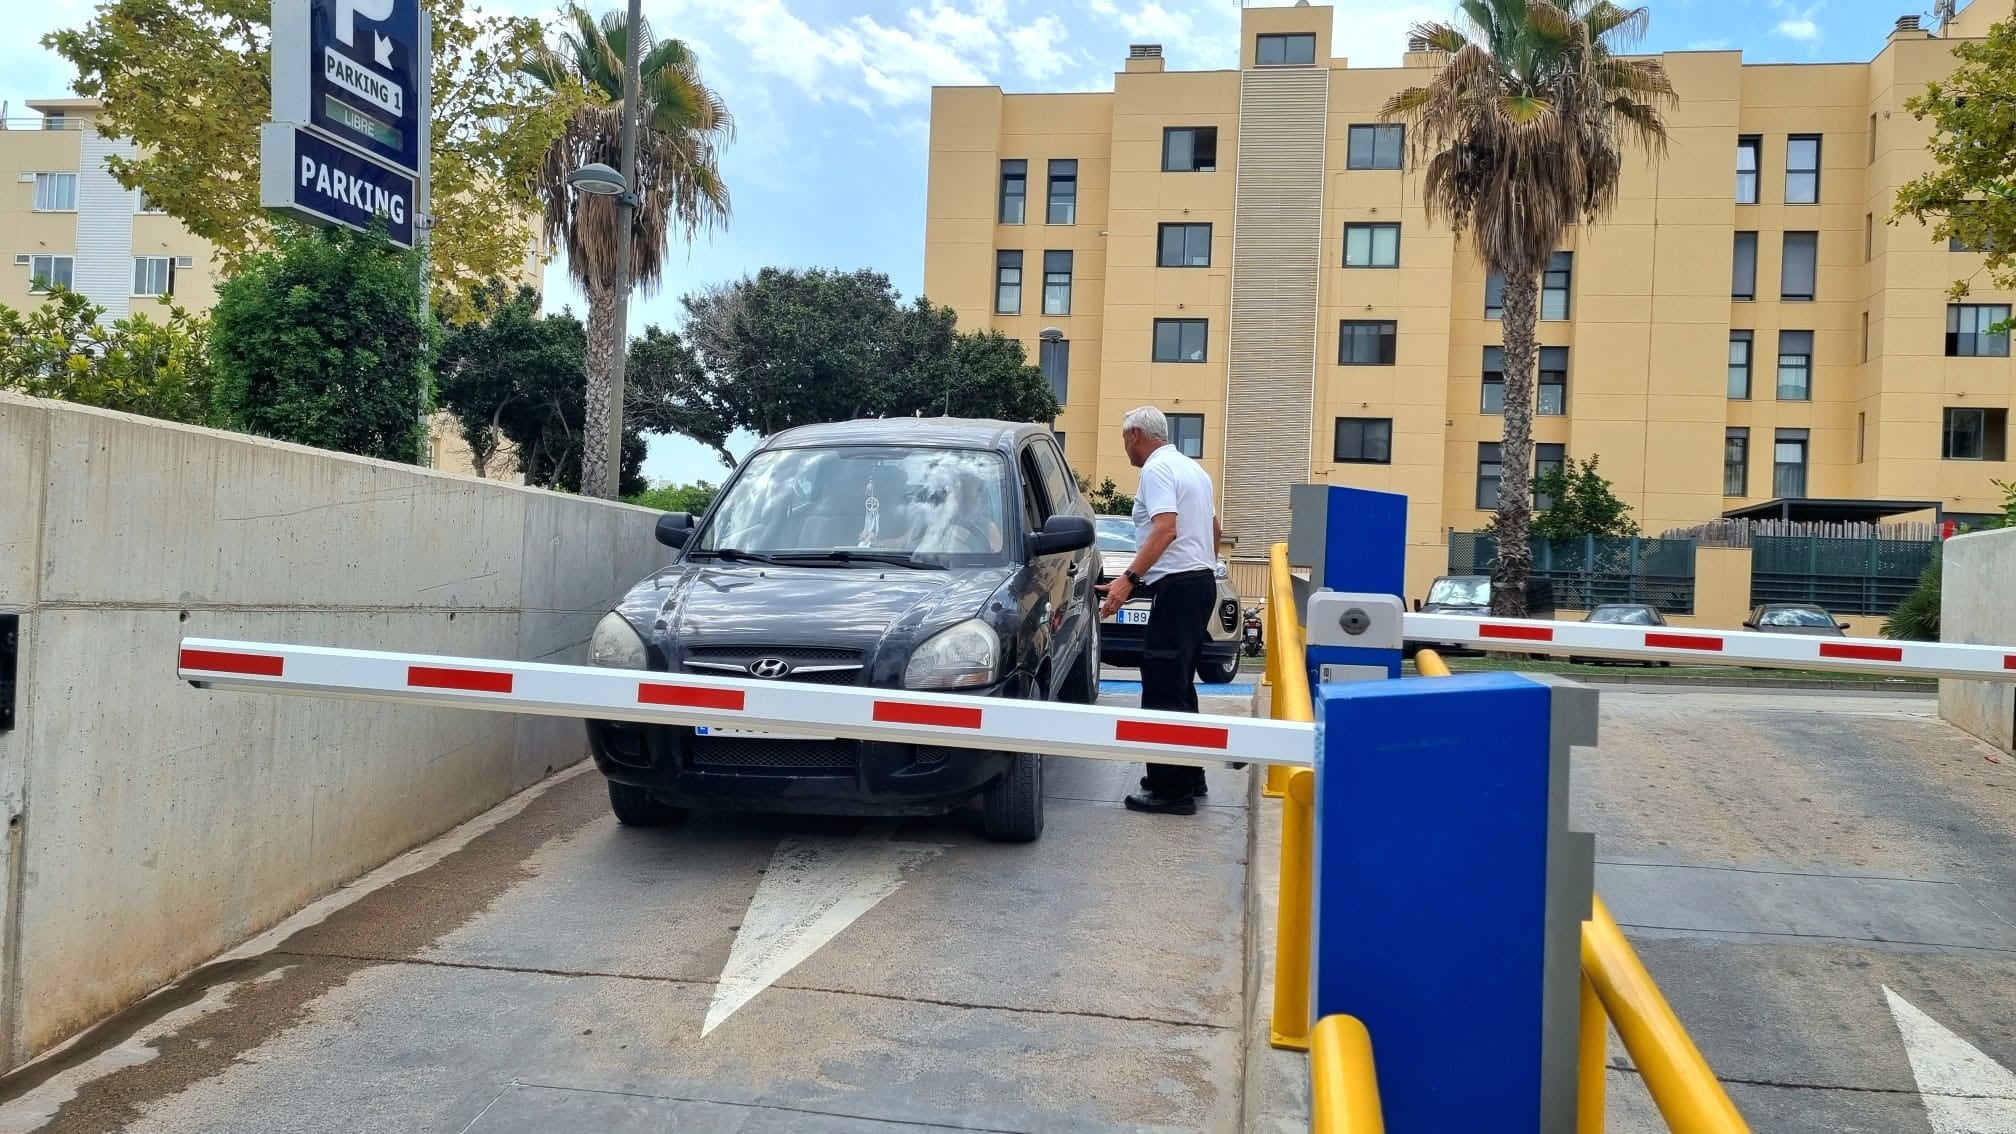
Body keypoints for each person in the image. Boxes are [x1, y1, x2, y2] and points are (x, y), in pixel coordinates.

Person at [1097, 406, 1222, 816]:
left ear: (1134, 434)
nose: (1125, 448)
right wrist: (1180, 571)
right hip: (1197, 582)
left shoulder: (1155, 470)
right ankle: (1187, 773)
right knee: (1180, 681)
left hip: (1181, 586)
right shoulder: (1193, 470)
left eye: (1123, 439)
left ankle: (1172, 791)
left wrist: (1127, 579)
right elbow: (1213, 531)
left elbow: (1165, 528)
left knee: (1163, 681)